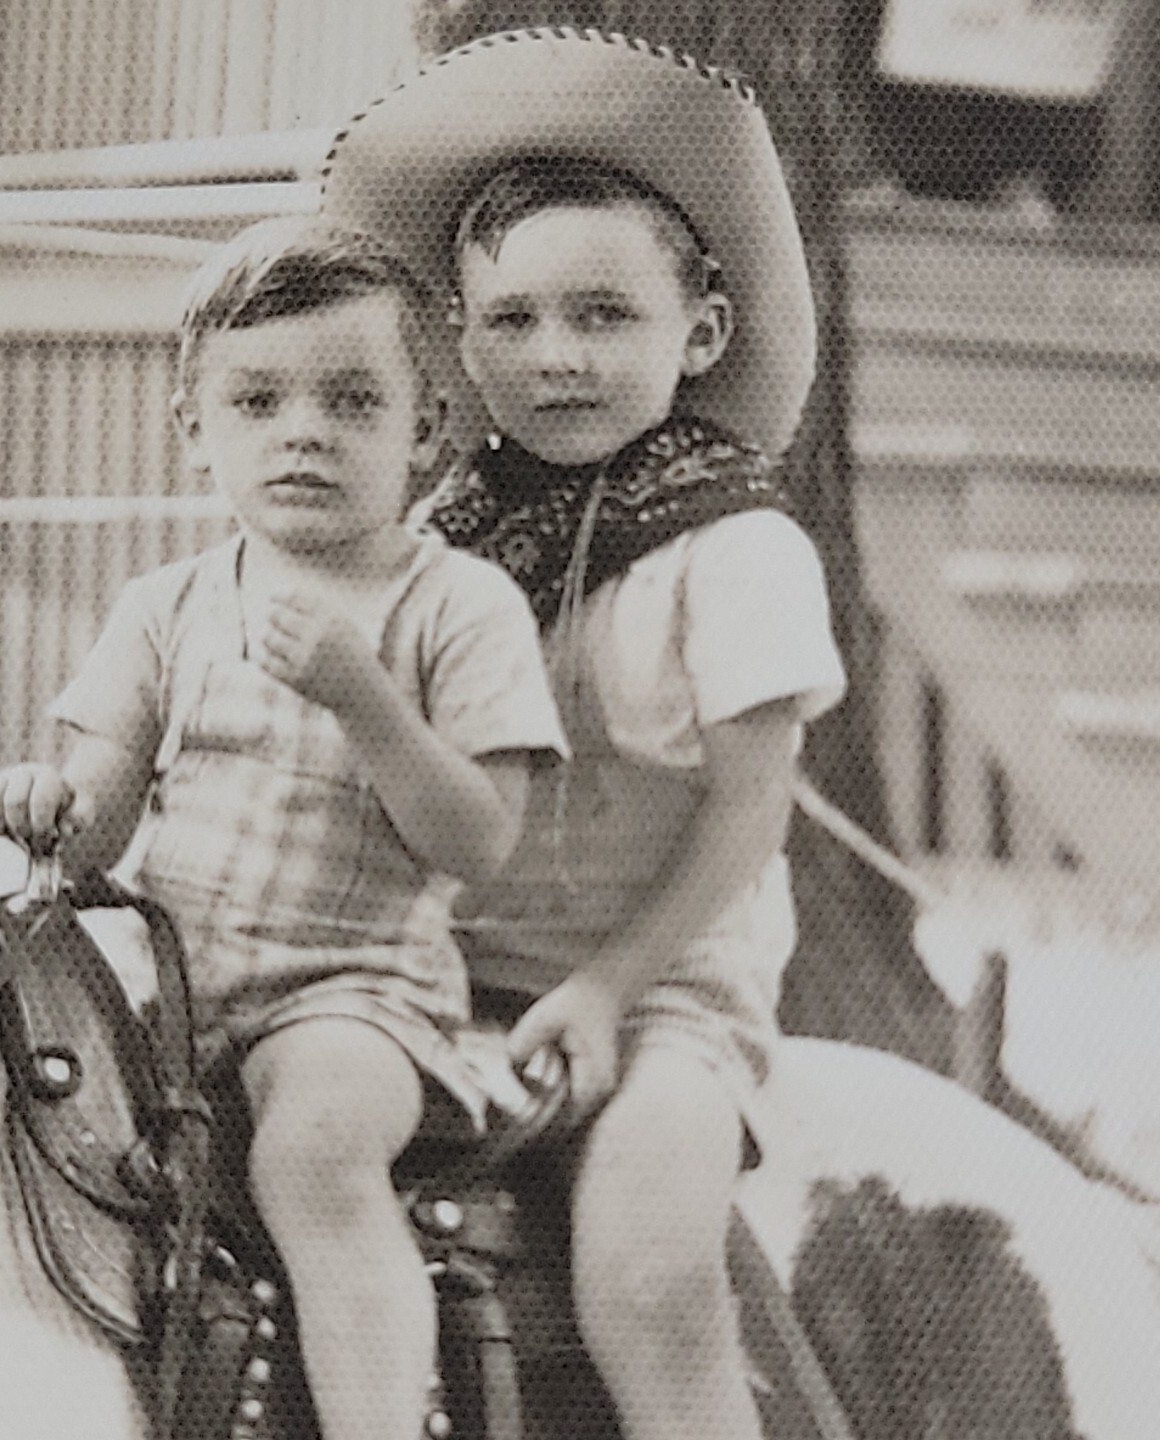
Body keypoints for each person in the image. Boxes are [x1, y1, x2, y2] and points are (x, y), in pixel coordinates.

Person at [323, 29, 846, 1440]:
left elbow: (748, 812)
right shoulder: (440, 547)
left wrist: (615, 991)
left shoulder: (734, 547)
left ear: (703, 335)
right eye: (514, 321)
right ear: (458, 342)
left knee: (643, 1266)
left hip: (666, 986)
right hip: (444, 970)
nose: (557, 357)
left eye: (606, 315)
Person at [0, 216, 567, 1440]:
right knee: (6, 1125)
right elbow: (97, 817)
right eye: (259, 401)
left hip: (352, 995)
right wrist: (46, 810)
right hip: (170, 994)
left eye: (354, 400)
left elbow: (482, 842)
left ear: (428, 432)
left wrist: (366, 698)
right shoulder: (167, 606)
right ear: (197, 429)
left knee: (312, 1158)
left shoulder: (455, 605)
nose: (305, 429)